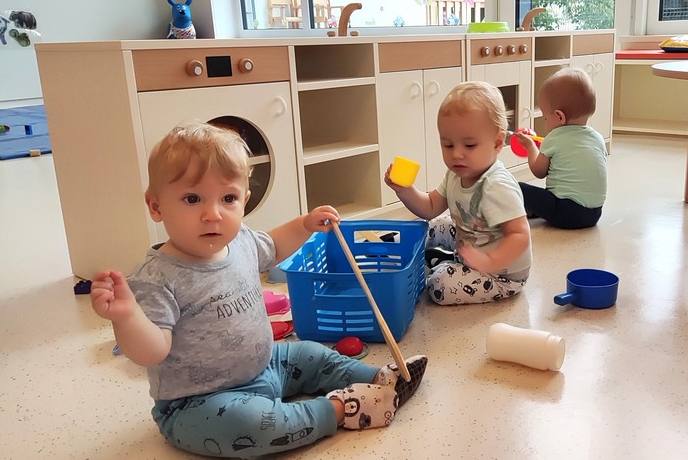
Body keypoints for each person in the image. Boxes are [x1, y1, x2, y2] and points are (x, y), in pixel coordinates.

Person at [88, 120, 428, 458]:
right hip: (199, 403)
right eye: (192, 199)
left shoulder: (241, 241)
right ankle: (343, 409)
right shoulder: (156, 278)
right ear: (156, 206)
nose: (212, 214)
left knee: (311, 354)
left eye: (228, 198)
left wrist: (305, 225)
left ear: (244, 201)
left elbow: (274, 246)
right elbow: (151, 353)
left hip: (267, 366)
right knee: (252, 425)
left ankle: (379, 377)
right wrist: (127, 317)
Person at [384, 81, 532, 306]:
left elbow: (520, 235)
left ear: (497, 143)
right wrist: (405, 190)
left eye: (469, 145)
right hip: (471, 243)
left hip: (501, 274)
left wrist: (489, 261)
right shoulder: (455, 174)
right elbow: (430, 207)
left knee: (439, 285)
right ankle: (396, 250)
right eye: (448, 145)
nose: (457, 154)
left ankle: (445, 264)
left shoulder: (496, 187)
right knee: (432, 225)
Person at [513, 67, 608, 229]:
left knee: (518, 187)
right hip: (594, 214)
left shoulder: (554, 138)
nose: (545, 121)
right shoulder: (598, 138)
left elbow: (538, 171)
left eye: (545, 117)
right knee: (551, 194)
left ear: (559, 116)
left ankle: (510, 214)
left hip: (566, 212)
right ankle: (537, 210)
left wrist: (530, 146)